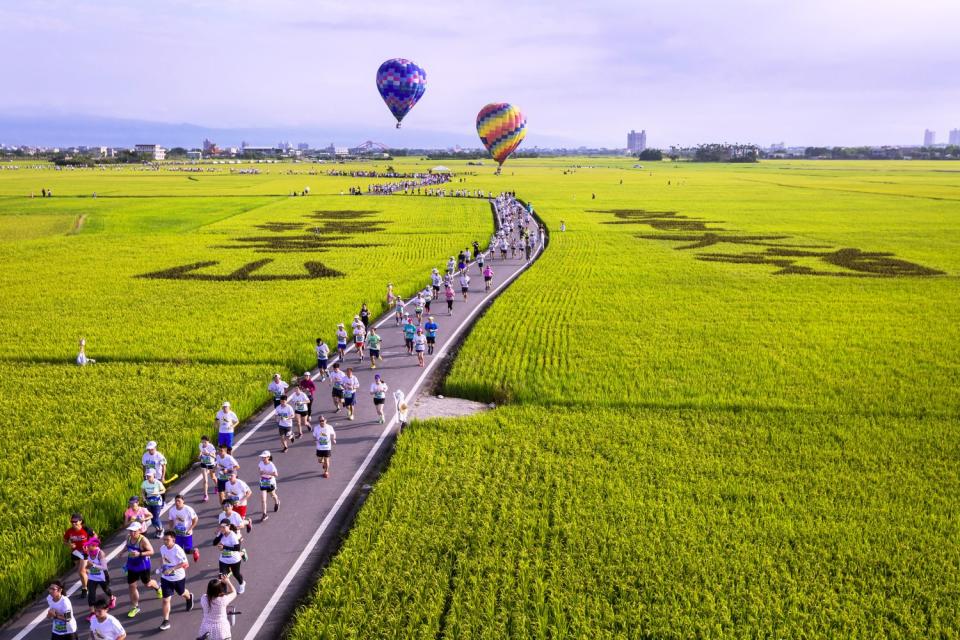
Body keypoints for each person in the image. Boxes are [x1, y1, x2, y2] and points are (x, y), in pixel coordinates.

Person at [122, 522, 161, 619]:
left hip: (143, 566)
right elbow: (127, 546)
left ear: (139, 530)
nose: (132, 533)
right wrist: (122, 552)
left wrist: (139, 554)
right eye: (131, 531)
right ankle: (135, 607)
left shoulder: (143, 540)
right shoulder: (128, 537)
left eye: (134, 531)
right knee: (131, 586)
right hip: (131, 565)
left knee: (147, 584)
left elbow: (151, 551)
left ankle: (157, 588)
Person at [158, 531, 194, 631]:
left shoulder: (177, 549)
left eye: (167, 540)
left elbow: (185, 563)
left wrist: (172, 569)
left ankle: (189, 597)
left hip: (178, 577)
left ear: (173, 539)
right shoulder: (162, 548)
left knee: (181, 592)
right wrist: (161, 566)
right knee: (166, 599)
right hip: (166, 578)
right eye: (164, 539)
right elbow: (162, 558)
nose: (165, 541)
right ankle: (166, 621)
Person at [63, 513, 95, 598]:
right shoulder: (69, 531)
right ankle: (96, 573)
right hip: (75, 552)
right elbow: (65, 541)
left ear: (80, 521)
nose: (73, 523)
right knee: (83, 570)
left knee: (81, 571)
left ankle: (85, 589)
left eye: (75, 521)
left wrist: (89, 546)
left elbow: (95, 537)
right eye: (72, 522)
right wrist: (69, 545)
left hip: (85, 552)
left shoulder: (86, 529)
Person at [83, 538, 116, 616]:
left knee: (106, 590)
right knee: (91, 594)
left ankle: (112, 598)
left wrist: (93, 565)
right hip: (92, 577)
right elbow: (88, 564)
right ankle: (92, 612)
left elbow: (104, 567)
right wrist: (87, 568)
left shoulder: (100, 553)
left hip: (102, 576)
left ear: (94, 545)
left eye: (89, 545)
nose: (87, 546)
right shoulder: (88, 552)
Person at [197, 575, 236, 640]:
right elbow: (234, 592)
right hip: (221, 630)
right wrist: (228, 581)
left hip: (205, 629)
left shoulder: (204, 598)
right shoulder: (223, 600)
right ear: (220, 590)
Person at [166, 494, 200, 563]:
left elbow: (195, 519)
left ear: (183, 501)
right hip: (177, 534)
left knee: (187, 550)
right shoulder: (172, 510)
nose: (177, 503)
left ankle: (195, 551)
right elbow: (170, 520)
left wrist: (190, 528)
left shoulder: (188, 509)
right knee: (178, 549)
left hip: (187, 534)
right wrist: (170, 529)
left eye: (179, 501)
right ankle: (181, 562)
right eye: (176, 501)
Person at [216, 522, 247, 594]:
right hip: (223, 559)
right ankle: (223, 594)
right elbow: (214, 543)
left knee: (236, 574)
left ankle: (242, 583)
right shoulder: (221, 534)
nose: (222, 528)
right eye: (221, 527)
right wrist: (219, 536)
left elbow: (237, 548)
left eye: (224, 527)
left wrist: (224, 547)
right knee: (222, 576)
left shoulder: (233, 535)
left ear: (228, 526)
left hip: (234, 559)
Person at [141, 469, 166, 538]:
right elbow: (142, 491)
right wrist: (144, 498)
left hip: (157, 502)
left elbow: (163, 490)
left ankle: (161, 530)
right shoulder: (145, 483)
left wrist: (157, 493)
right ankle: (157, 529)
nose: (148, 477)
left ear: (154, 475)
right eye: (147, 476)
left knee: (156, 517)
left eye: (149, 476)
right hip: (149, 502)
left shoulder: (157, 483)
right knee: (151, 517)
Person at [257, 450, 280, 521]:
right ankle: (264, 514)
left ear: (268, 457)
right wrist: (261, 472)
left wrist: (267, 472)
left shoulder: (271, 465)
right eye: (262, 457)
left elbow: (276, 474)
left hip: (270, 482)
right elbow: (260, 470)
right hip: (263, 481)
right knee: (263, 499)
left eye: (264, 457)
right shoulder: (260, 463)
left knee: (273, 495)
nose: (263, 459)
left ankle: (277, 502)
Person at [198, 435, 217, 502]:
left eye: (205, 442)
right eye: (202, 442)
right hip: (203, 463)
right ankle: (205, 495)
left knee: (213, 477)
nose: (203, 443)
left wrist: (208, 453)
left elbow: (214, 456)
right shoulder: (200, 445)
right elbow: (201, 451)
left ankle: (217, 485)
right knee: (205, 480)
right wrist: (200, 455)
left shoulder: (211, 446)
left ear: (208, 442)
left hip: (211, 464)